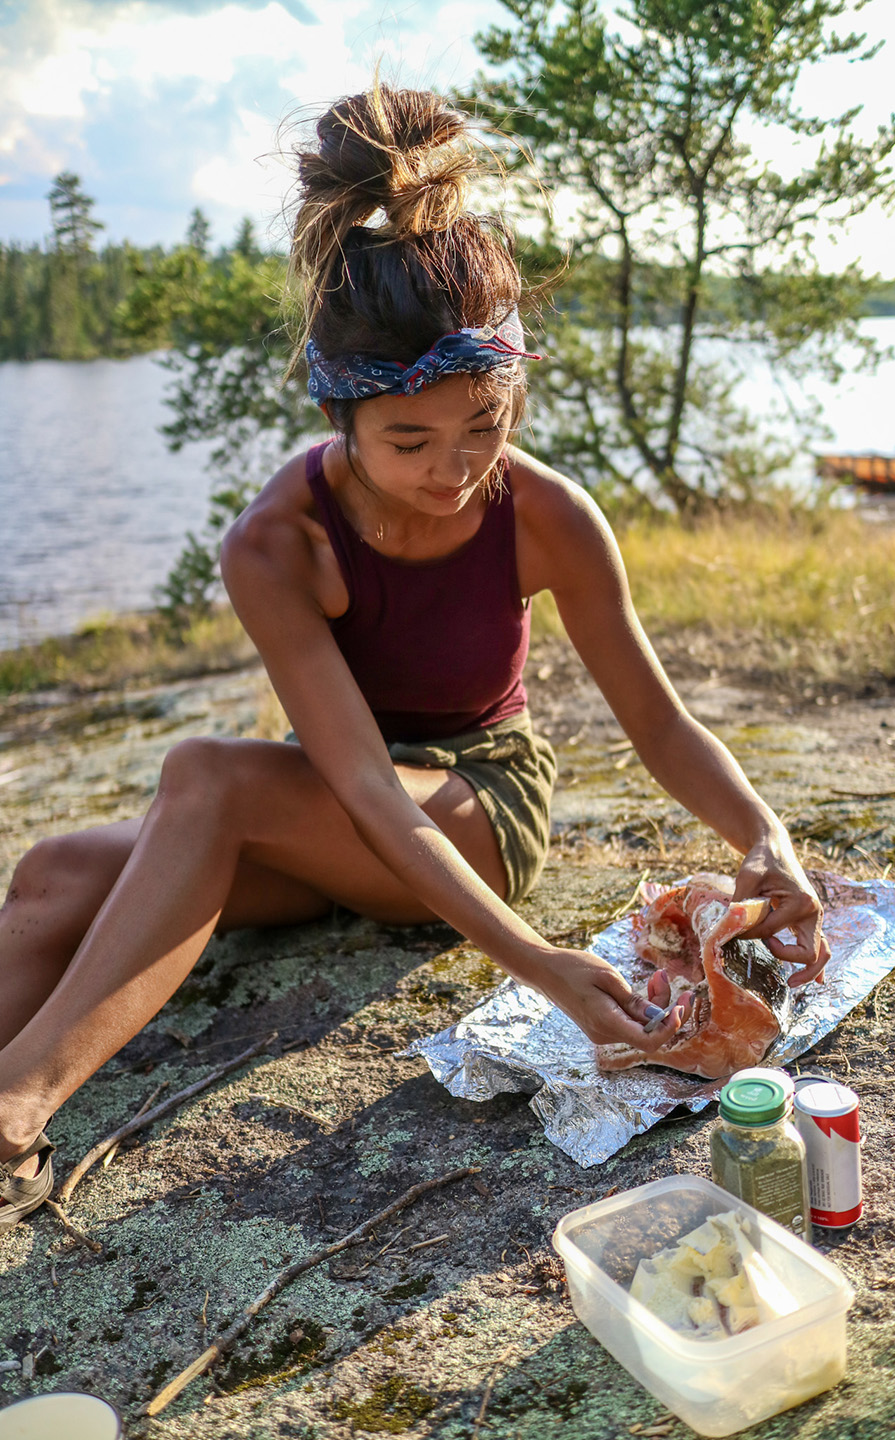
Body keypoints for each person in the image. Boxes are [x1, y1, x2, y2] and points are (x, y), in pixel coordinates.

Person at [0, 85, 828, 1232]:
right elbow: (353, 785)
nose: (457, 469)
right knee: (50, 875)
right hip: (346, 813)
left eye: (486, 425)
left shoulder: (545, 514)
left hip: (479, 809)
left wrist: (761, 835)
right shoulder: (274, 545)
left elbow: (659, 722)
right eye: (411, 442)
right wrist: (541, 964)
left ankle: (18, 1109)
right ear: (339, 416)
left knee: (205, 775)